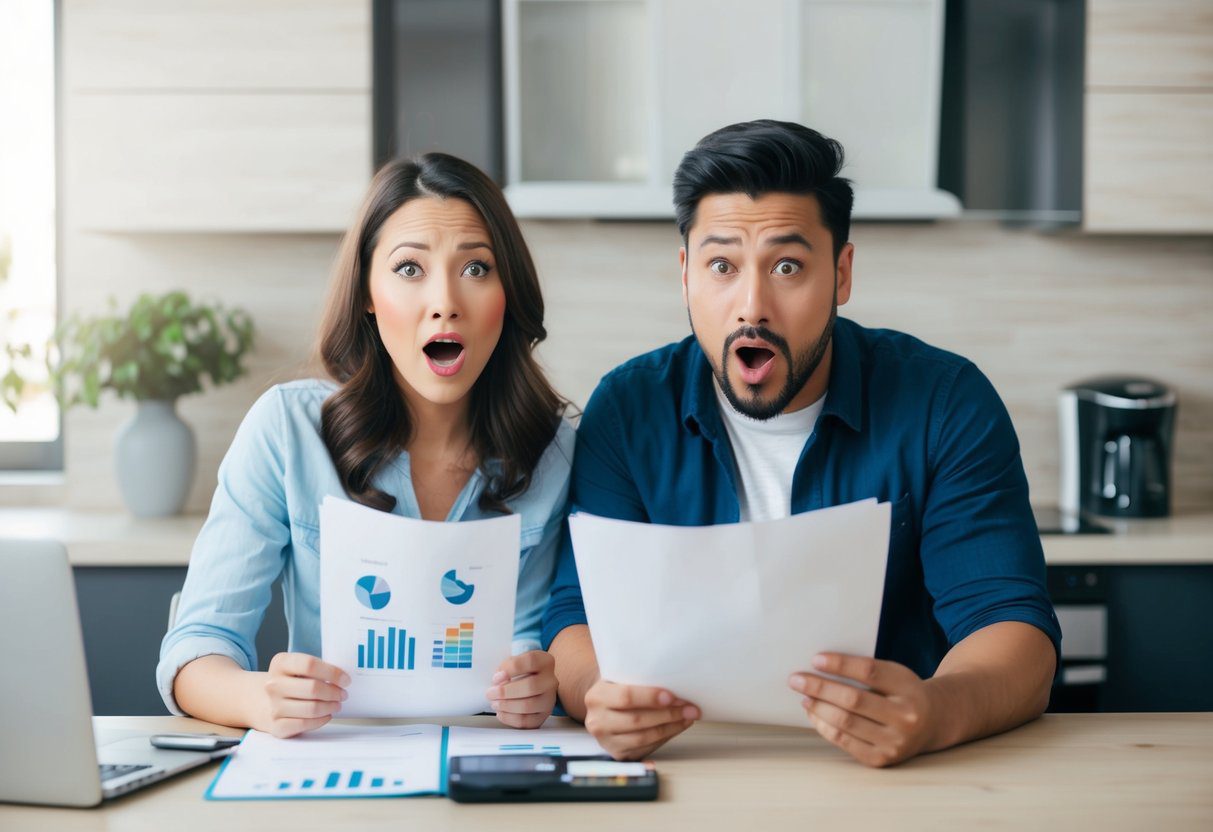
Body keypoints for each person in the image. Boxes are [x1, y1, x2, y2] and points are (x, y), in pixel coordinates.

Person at [542, 120, 1061, 768]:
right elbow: (573, 617)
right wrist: (599, 695)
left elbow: (1011, 631)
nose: (751, 306)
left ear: (841, 274)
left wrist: (935, 713)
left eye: (787, 266)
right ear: (684, 275)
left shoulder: (944, 402)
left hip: (899, 782)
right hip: (693, 771)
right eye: (722, 266)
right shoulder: (627, 409)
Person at [159, 153, 574, 738]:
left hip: (485, 777)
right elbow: (195, 650)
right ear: (367, 295)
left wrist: (537, 686)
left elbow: (538, 643)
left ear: (508, 295)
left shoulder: (556, 450)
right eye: (410, 269)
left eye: (477, 269)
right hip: (333, 770)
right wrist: (259, 698)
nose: (445, 300)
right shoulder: (286, 430)